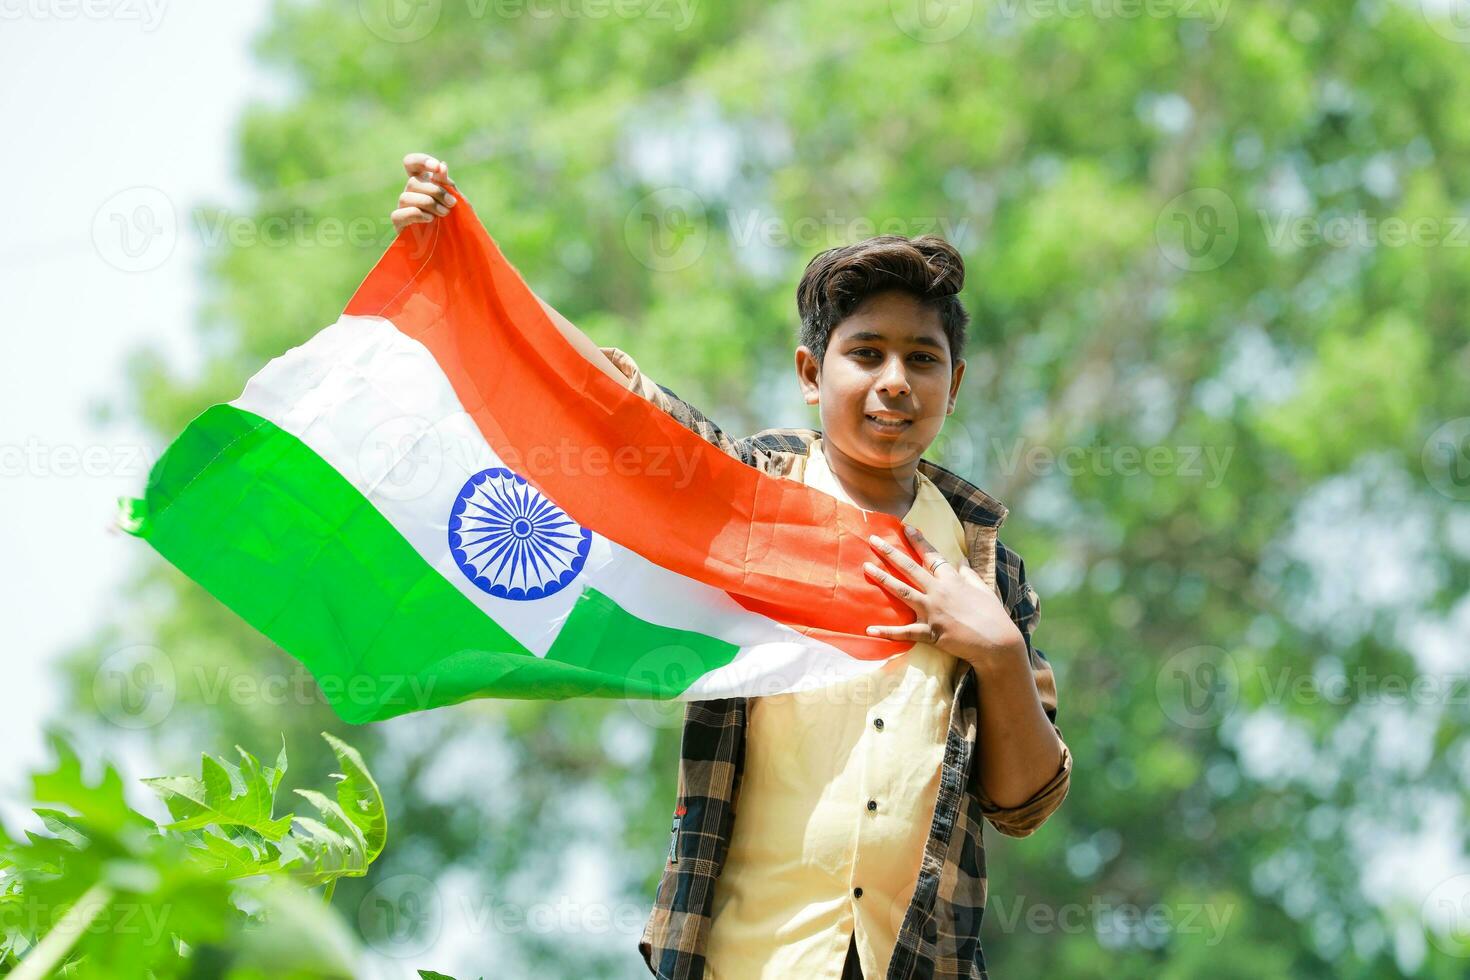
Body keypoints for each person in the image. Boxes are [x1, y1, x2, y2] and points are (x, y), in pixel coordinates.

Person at [392, 153, 1073, 980]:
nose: (895, 382)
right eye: (867, 354)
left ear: (954, 383)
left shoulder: (983, 565)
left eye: (921, 360)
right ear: (811, 374)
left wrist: (996, 650)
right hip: (748, 959)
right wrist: (466, 262)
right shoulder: (746, 499)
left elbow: (1025, 803)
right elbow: (614, 407)